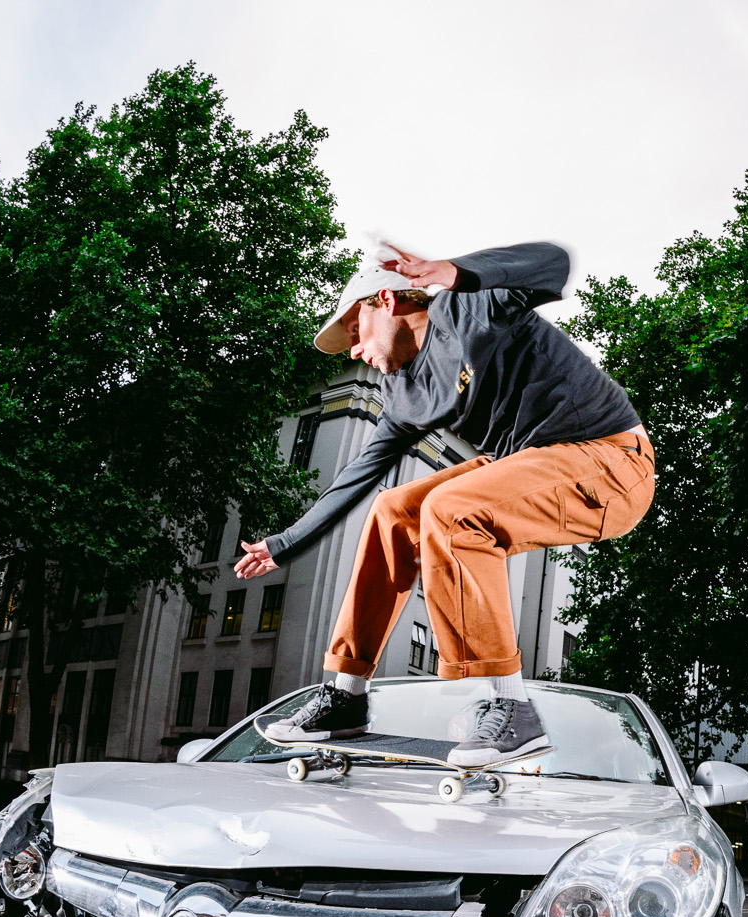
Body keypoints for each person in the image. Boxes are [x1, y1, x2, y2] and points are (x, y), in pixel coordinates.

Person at [235, 240, 653, 765]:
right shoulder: (404, 397)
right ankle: (345, 695)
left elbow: (554, 261)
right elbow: (356, 478)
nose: (355, 352)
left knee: (452, 509)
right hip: (527, 467)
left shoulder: (467, 307)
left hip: (611, 462)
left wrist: (457, 272)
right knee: (393, 512)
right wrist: (283, 543)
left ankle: (510, 707)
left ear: (384, 302)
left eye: (355, 335)